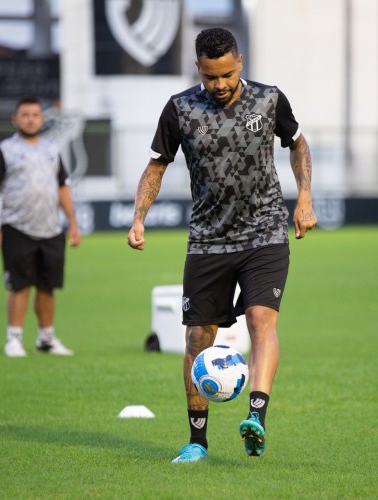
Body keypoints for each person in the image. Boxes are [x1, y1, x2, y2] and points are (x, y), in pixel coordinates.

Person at [127, 27, 317, 463]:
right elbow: (156, 166)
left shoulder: (269, 100)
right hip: (208, 239)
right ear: (199, 68)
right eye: (212, 77)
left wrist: (304, 196)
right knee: (197, 338)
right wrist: (139, 217)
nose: (221, 85)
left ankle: (256, 418)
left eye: (227, 75)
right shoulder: (179, 109)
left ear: (240, 62)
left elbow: (298, 143)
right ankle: (197, 442)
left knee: (261, 322)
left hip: (265, 232)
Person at [0, 96, 81, 358]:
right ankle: (13, 338)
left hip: (50, 227)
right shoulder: (6, 149)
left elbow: (63, 186)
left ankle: (46, 339)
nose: (31, 119)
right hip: (17, 226)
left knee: (48, 286)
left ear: (42, 119)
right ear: (15, 119)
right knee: (20, 284)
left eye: (36, 114)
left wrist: (72, 223)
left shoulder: (51, 149)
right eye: (25, 114)